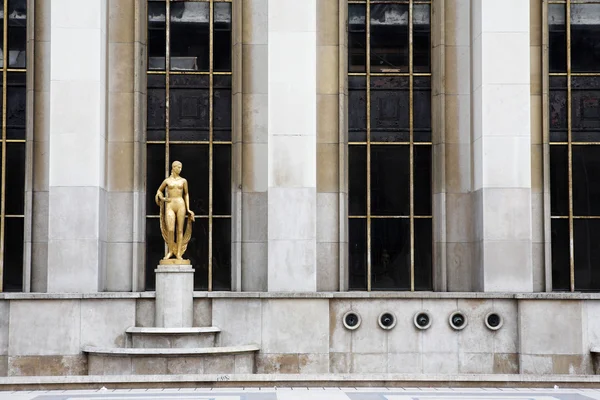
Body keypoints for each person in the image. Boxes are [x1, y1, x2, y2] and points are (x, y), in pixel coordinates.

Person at [155, 161, 195, 260]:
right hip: (170, 204)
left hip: (180, 204)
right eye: (178, 167)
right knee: (171, 229)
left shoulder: (183, 181)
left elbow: (186, 194)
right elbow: (159, 190)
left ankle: (178, 254)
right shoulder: (167, 181)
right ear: (173, 168)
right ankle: (170, 251)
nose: (180, 169)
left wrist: (188, 208)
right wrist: (162, 198)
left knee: (180, 230)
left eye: (181, 167)